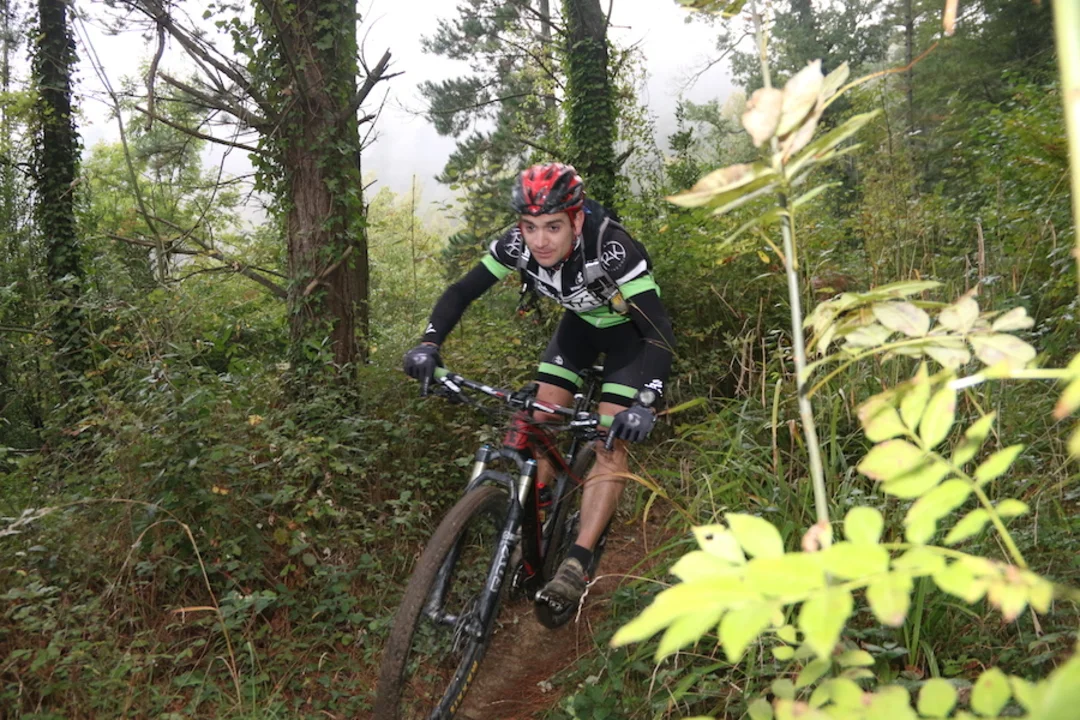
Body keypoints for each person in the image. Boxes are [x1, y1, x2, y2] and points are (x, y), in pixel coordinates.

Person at [403, 162, 674, 610]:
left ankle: (576, 563)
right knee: (542, 415)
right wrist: (429, 344)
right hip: (578, 329)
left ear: (576, 220)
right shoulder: (517, 246)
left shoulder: (611, 249)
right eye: (530, 227)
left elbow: (657, 329)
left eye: (553, 226)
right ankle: (538, 509)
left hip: (630, 338)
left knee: (609, 443)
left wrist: (647, 400)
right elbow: (461, 292)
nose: (540, 240)